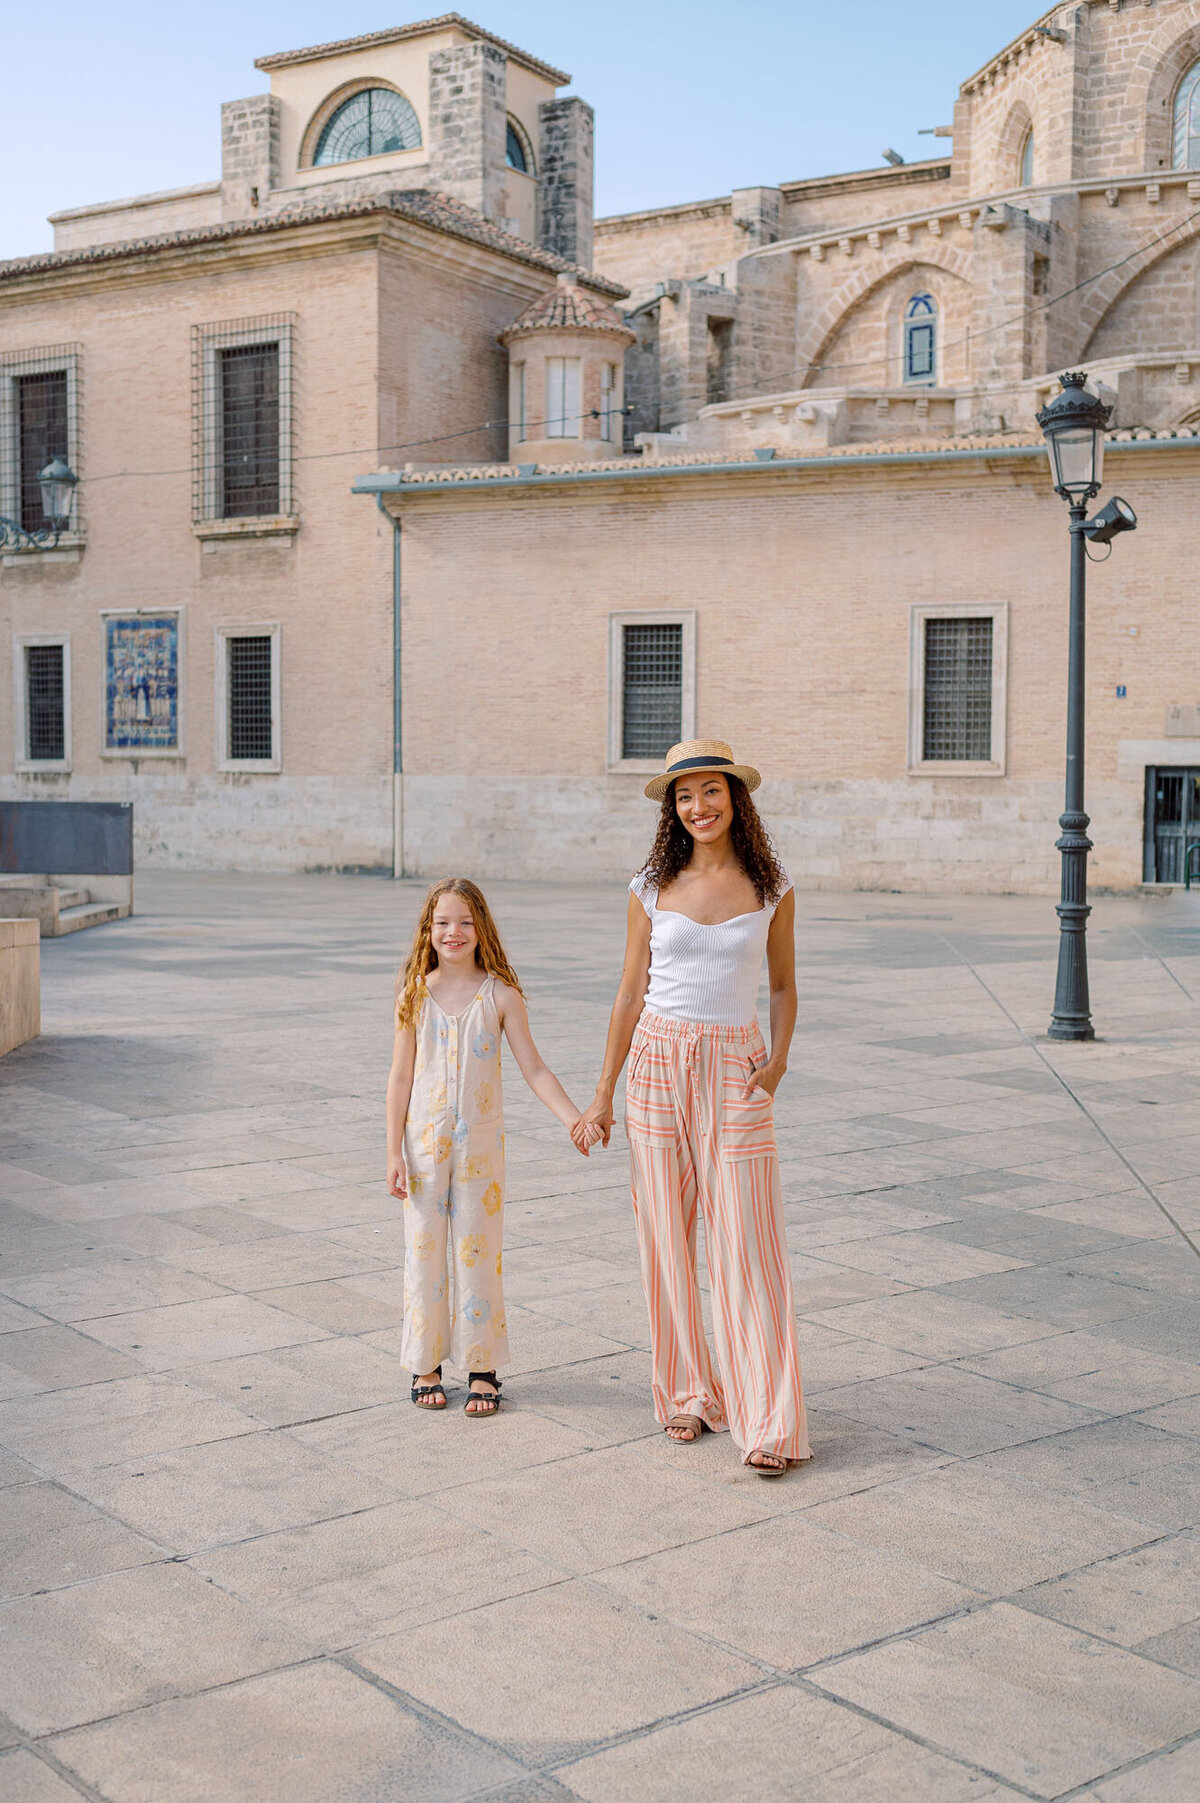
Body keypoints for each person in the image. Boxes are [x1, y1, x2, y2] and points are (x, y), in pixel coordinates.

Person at [573, 740, 809, 1477]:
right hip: (654, 1065)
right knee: (665, 1239)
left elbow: (782, 985)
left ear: (736, 799)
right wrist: (604, 1090)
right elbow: (627, 992)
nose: (698, 806)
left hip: (736, 1069)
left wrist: (777, 1060)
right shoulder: (650, 884)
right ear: (672, 809)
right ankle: (687, 1390)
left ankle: (769, 1417)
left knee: (749, 1244)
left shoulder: (772, 886)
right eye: (684, 796)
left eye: (711, 791)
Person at [387, 877, 597, 1415]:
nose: (452, 932)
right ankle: (425, 1364)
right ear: (427, 931)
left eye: (464, 921)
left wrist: (574, 1118)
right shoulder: (414, 992)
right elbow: (400, 1078)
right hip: (422, 1149)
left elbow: (535, 1068)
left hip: (481, 1153)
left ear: (481, 928)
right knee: (424, 1255)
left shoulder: (501, 995)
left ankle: (483, 1368)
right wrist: (393, 1151)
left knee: (478, 1254)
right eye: (441, 923)